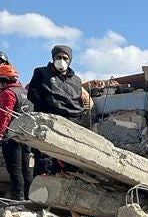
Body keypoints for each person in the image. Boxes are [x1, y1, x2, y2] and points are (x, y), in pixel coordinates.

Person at [27, 45, 91, 175]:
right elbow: (33, 93)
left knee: (68, 157)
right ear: (53, 58)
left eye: (65, 58)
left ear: (70, 60)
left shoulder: (76, 80)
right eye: (59, 57)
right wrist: (46, 109)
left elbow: (79, 100)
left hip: (71, 122)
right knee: (45, 156)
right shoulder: (41, 72)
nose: (62, 60)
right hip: (49, 120)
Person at [0, 64, 32, 201]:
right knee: (26, 170)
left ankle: (18, 200)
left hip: (11, 137)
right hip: (26, 137)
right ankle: (29, 198)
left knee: (15, 170)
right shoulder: (25, 93)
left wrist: (0, 134)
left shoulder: (9, 93)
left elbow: (5, 115)